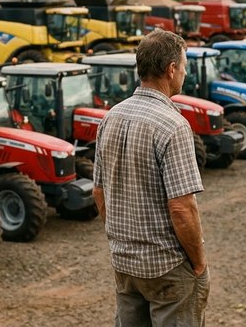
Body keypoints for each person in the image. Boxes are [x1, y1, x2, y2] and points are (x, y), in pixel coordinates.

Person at [93, 29, 209, 326]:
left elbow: (98, 192)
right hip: (167, 267)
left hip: (124, 265)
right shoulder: (173, 125)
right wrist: (198, 264)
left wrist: (121, 242)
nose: (184, 73)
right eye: (183, 66)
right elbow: (182, 208)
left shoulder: (110, 117)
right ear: (171, 69)